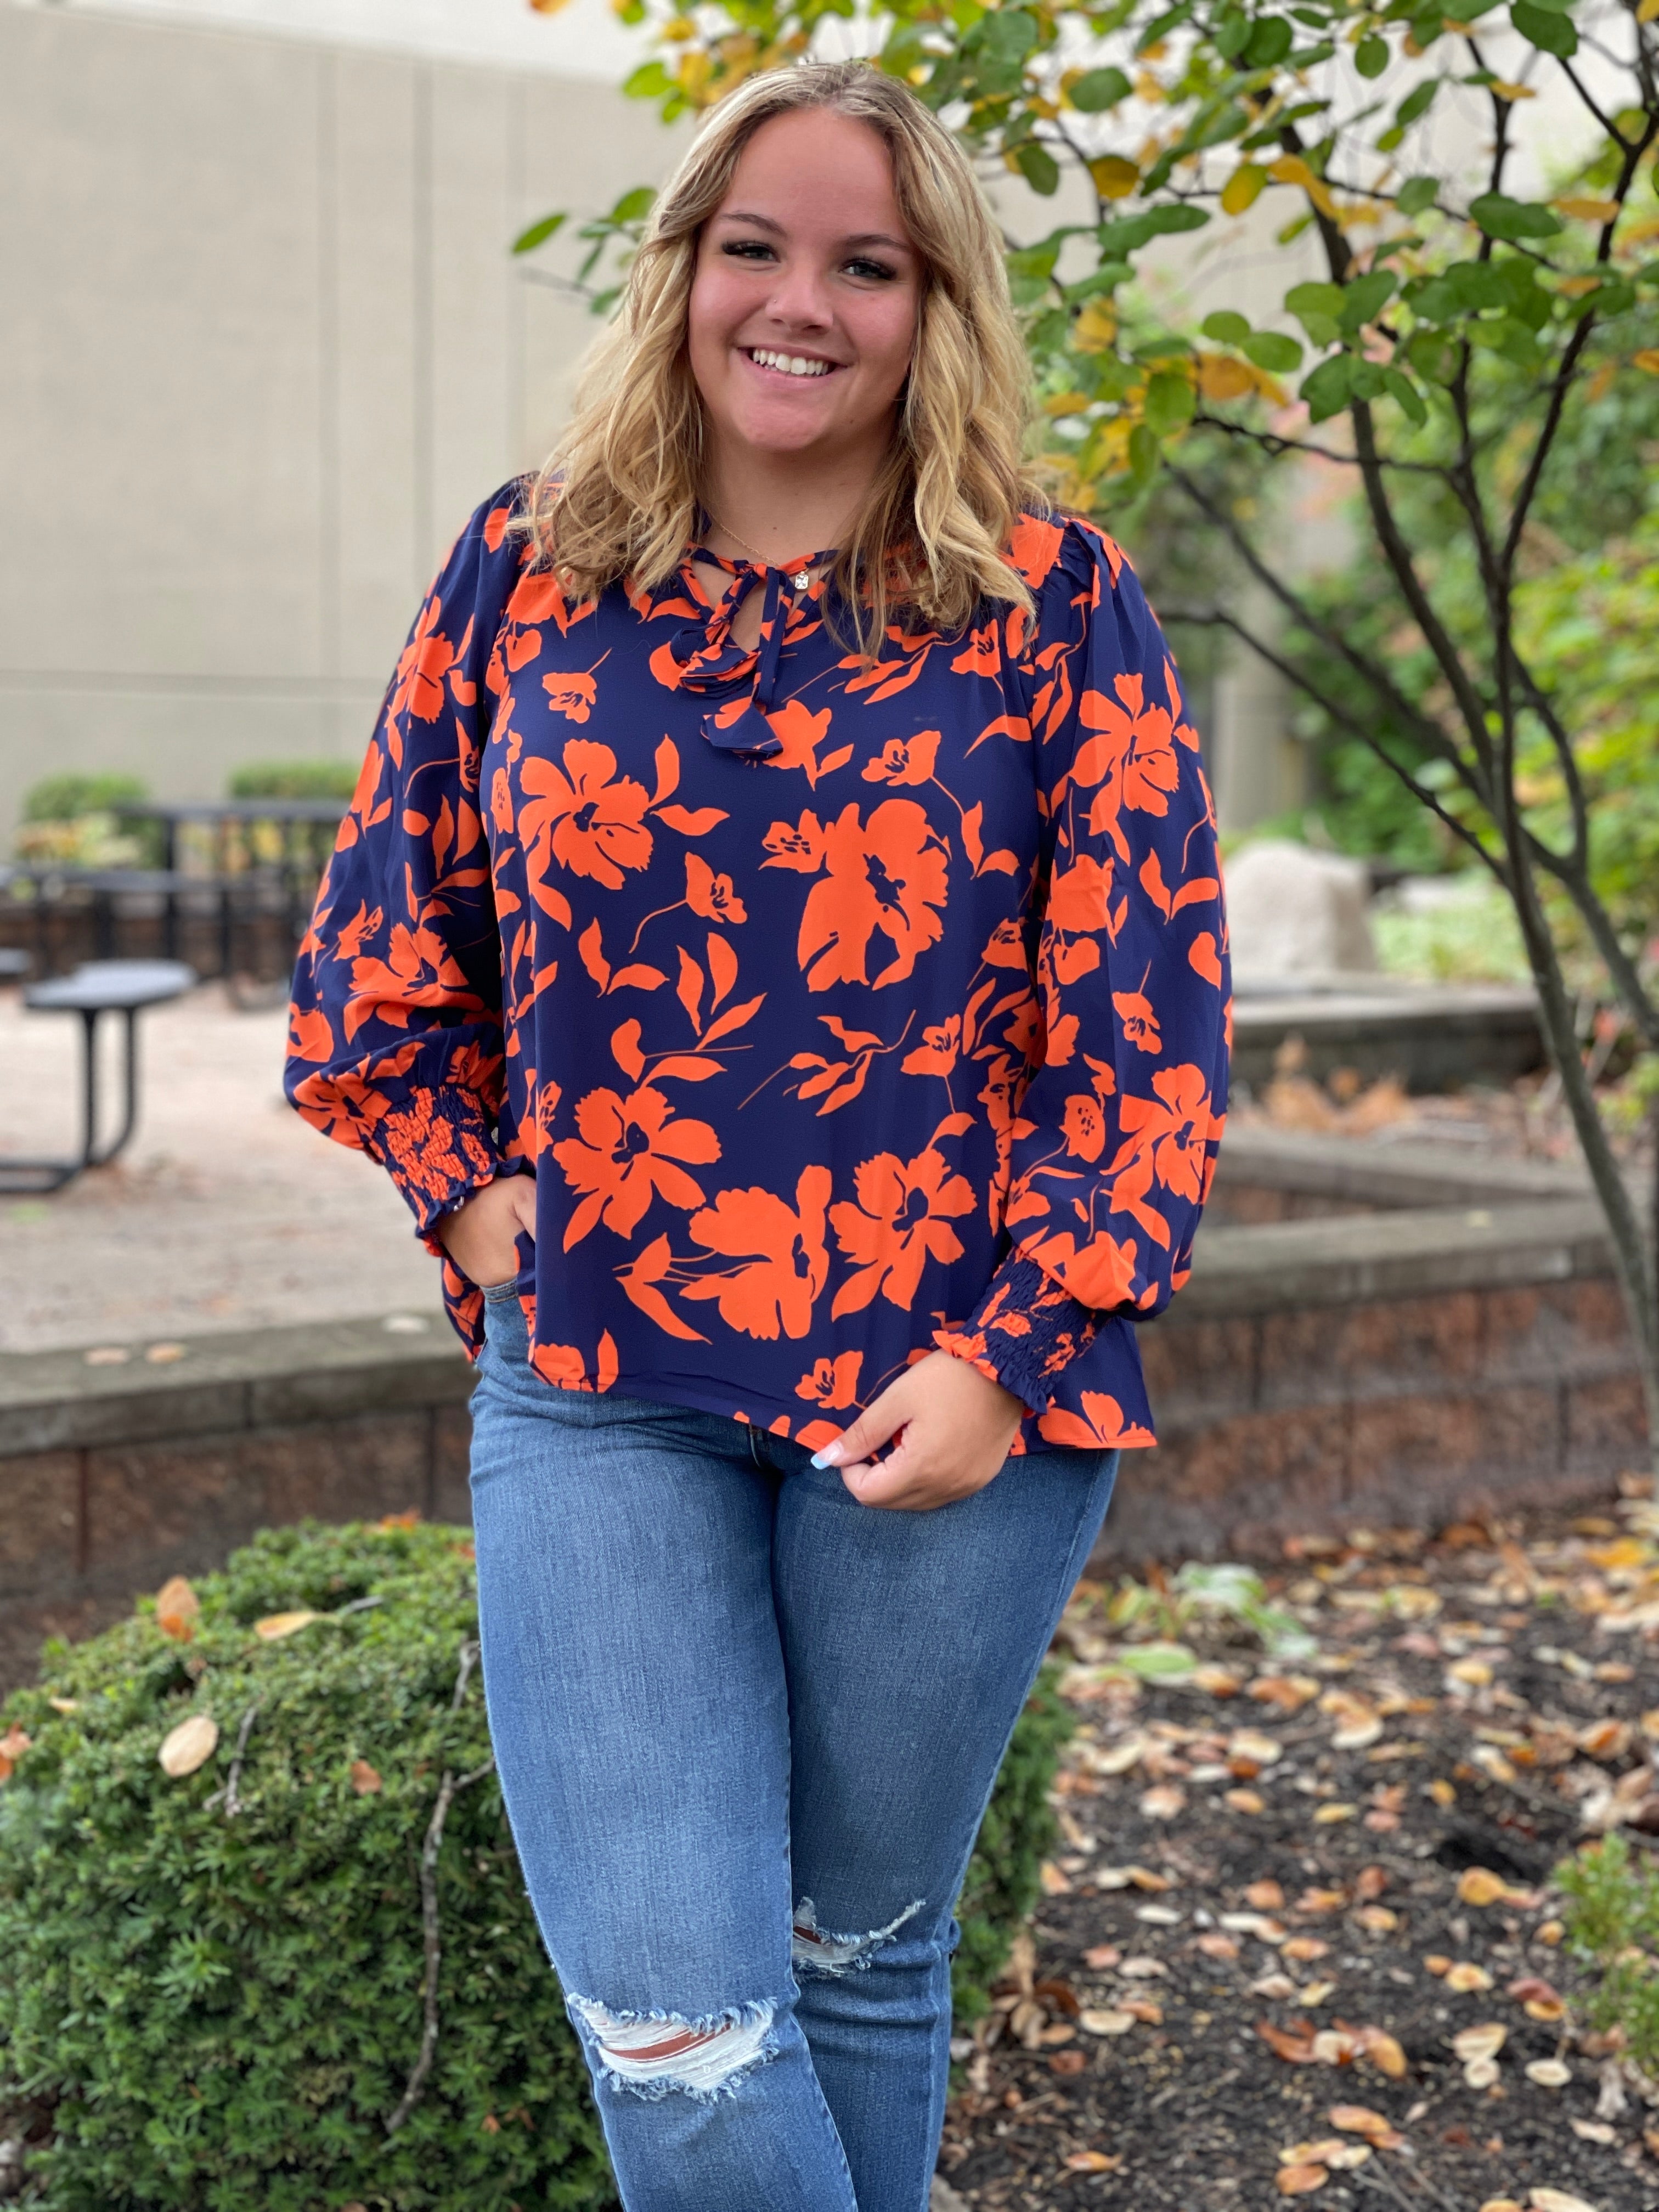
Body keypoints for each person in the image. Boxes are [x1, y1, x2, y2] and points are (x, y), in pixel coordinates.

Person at [285, 57, 1228, 2212]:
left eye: (868, 264)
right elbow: (374, 945)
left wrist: (1010, 1351)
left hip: (946, 1406)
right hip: (606, 1390)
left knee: (863, 1962)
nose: (802, 303)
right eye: (757, 246)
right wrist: (475, 1187)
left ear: (935, 308)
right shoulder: (529, 570)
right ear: (687, 270)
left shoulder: (1052, 605)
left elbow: (1149, 1024)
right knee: (683, 2033)